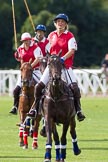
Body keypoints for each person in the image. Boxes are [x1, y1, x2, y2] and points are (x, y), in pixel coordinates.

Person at [27, 13, 85, 122]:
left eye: (63, 22)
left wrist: (62, 58)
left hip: (65, 66)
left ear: (66, 24)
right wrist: (35, 43)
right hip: (52, 67)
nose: (60, 23)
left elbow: (72, 50)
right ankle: (34, 108)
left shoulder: (69, 36)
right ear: (55, 23)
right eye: (58, 21)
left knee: (74, 88)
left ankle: (78, 110)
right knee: (38, 87)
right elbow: (46, 49)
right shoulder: (51, 35)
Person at [9, 32, 43, 114]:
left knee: (43, 87)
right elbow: (20, 60)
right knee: (16, 90)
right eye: (24, 41)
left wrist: (30, 67)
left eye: (27, 40)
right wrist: (17, 56)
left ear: (30, 40)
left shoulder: (35, 47)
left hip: (35, 71)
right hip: (25, 73)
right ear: (22, 41)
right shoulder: (20, 48)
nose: (26, 42)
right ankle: (15, 106)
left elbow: (37, 59)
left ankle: (43, 107)